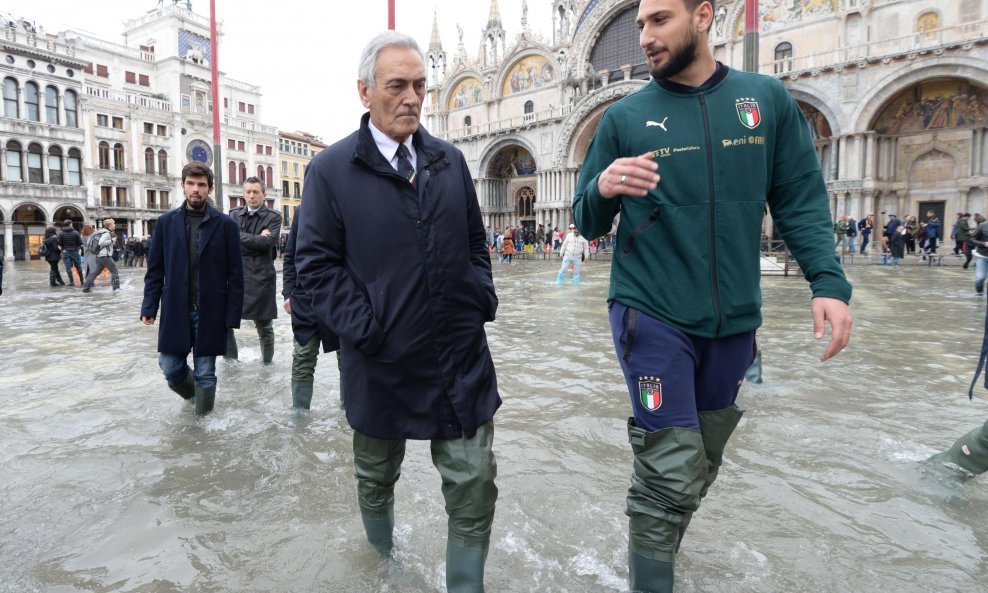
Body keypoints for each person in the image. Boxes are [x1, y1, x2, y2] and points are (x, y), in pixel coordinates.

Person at [571, 1, 853, 590]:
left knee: (701, 460)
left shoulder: (765, 101)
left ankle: (652, 553)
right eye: (640, 24)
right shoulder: (623, 117)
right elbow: (587, 220)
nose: (644, 36)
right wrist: (600, 186)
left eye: (659, 20)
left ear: (703, 16)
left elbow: (799, 197)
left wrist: (827, 282)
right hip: (649, 313)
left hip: (734, 323)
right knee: (669, 464)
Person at [294, 31, 500, 592]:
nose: (412, 98)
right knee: (375, 477)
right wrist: (369, 328)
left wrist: (480, 295)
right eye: (397, 86)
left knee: (474, 483)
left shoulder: (450, 161)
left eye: (419, 86)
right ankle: (383, 567)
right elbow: (314, 268)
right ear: (365, 92)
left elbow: (477, 242)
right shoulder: (331, 170)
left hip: (459, 354)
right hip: (379, 359)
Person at [140, 162, 244, 416]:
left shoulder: (226, 225)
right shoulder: (165, 223)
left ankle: (203, 426)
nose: (195, 189)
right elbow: (155, 270)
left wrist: (232, 316)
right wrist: (149, 306)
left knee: (206, 372)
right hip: (176, 308)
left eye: (201, 185)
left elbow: (236, 275)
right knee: (170, 367)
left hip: (211, 311)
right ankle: (195, 399)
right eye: (191, 184)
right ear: (183, 185)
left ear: (209, 189)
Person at [282, 206, 340, 409]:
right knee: (302, 357)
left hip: (342, 297)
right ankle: (299, 416)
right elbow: (289, 256)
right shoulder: (301, 212)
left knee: (349, 359)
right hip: (305, 298)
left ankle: (350, 413)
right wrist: (288, 293)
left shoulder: (347, 202)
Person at [226, 177, 282, 363]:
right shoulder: (233, 214)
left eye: (255, 192)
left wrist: (240, 238)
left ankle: (267, 365)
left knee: (264, 325)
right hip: (235, 275)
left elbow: (268, 242)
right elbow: (226, 240)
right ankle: (232, 364)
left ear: (264, 195)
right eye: (248, 192)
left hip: (262, 277)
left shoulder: (273, 217)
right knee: (225, 322)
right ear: (243, 194)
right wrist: (255, 239)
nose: (251, 196)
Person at [81, 219, 121, 293]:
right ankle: (116, 289)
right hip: (105, 256)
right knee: (114, 271)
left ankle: (86, 288)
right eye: (113, 224)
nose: (115, 225)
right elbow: (101, 242)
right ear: (109, 225)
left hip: (99, 256)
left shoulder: (101, 232)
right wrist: (112, 240)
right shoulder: (107, 233)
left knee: (95, 272)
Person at [58, 221, 84, 285]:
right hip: (75, 251)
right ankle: (82, 281)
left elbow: (59, 243)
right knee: (78, 266)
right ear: (70, 224)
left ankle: (71, 282)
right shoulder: (76, 232)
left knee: (68, 267)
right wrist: (77, 248)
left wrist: (63, 248)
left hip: (65, 251)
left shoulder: (61, 233)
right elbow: (80, 243)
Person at [968, 215, 988, 295]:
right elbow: (972, 239)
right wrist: (984, 243)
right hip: (982, 257)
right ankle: (979, 293)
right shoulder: (982, 226)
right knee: (980, 278)